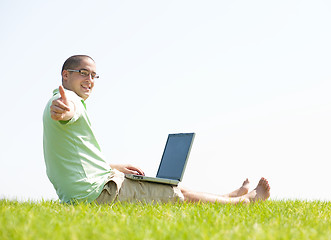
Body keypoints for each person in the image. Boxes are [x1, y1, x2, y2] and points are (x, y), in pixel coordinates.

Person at [43, 55, 270, 205]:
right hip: (95, 195)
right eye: (83, 72)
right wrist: (63, 111)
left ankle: (226, 197)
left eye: (94, 75)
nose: (90, 80)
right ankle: (244, 202)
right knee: (174, 193)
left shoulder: (63, 100)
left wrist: (112, 167)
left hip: (83, 193)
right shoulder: (68, 100)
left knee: (165, 185)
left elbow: (75, 157)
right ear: (66, 75)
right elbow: (66, 111)